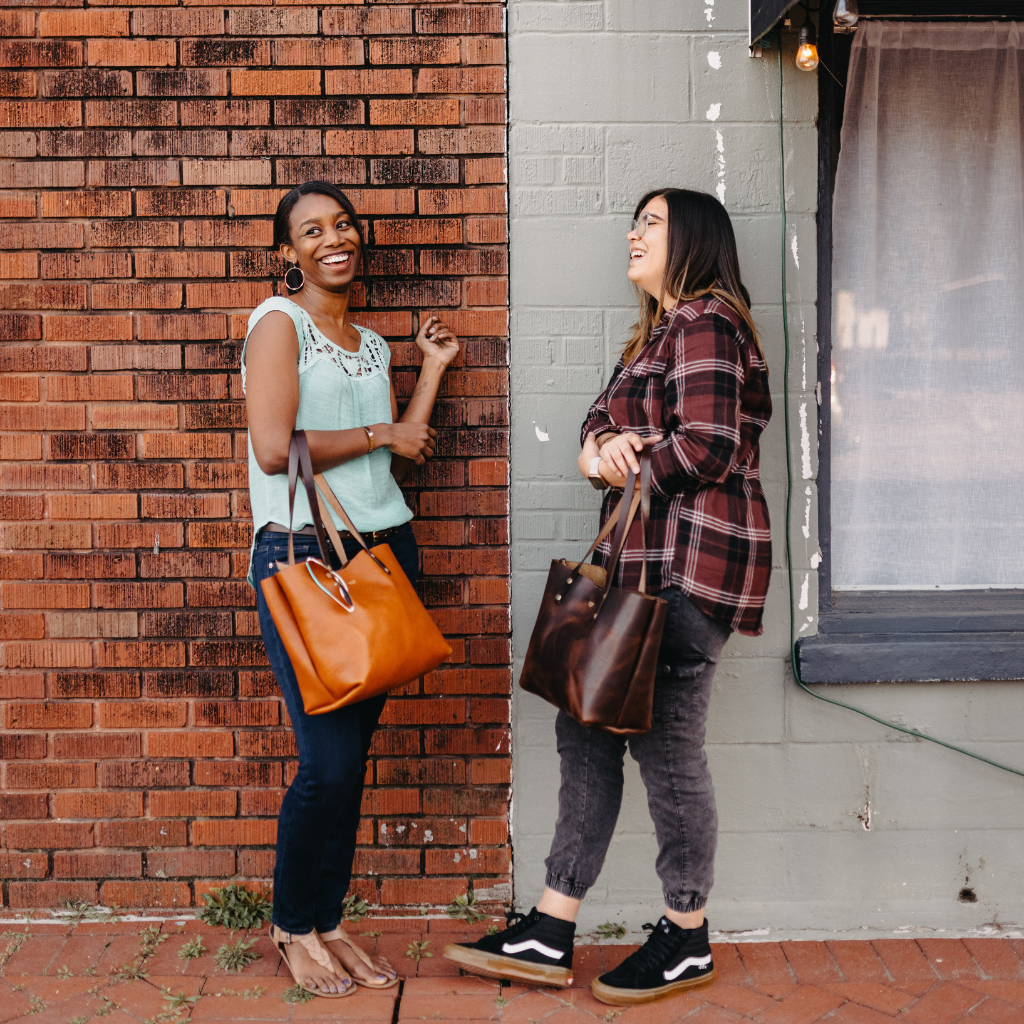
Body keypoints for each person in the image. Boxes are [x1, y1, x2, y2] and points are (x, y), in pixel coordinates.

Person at [444, 188, 772, 1006]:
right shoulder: (655, 335)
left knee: (665, 751)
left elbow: (709, 444)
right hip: (640, 572)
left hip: (685, 573)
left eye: (651, 223)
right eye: (635, 222)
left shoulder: (706, 321)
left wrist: (623, 460)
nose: (634, 234)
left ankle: (686, 934)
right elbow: (598, 421)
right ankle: (551, 928)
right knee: (584, 725)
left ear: (691, 237)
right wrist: (600, 448)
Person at [242, 180, 460, 998]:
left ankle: (328, 920)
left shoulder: (370, 342)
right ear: (288, 253)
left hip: (382, 550)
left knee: (354, 758)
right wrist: (382, 430)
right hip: (303, 559)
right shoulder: (278, 323)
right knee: (326, 766)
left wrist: (428, 372)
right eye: (311, 231)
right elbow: (273, 448)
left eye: (342, 224)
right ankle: (292, 924)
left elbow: (400, 451)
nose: (333, 238)